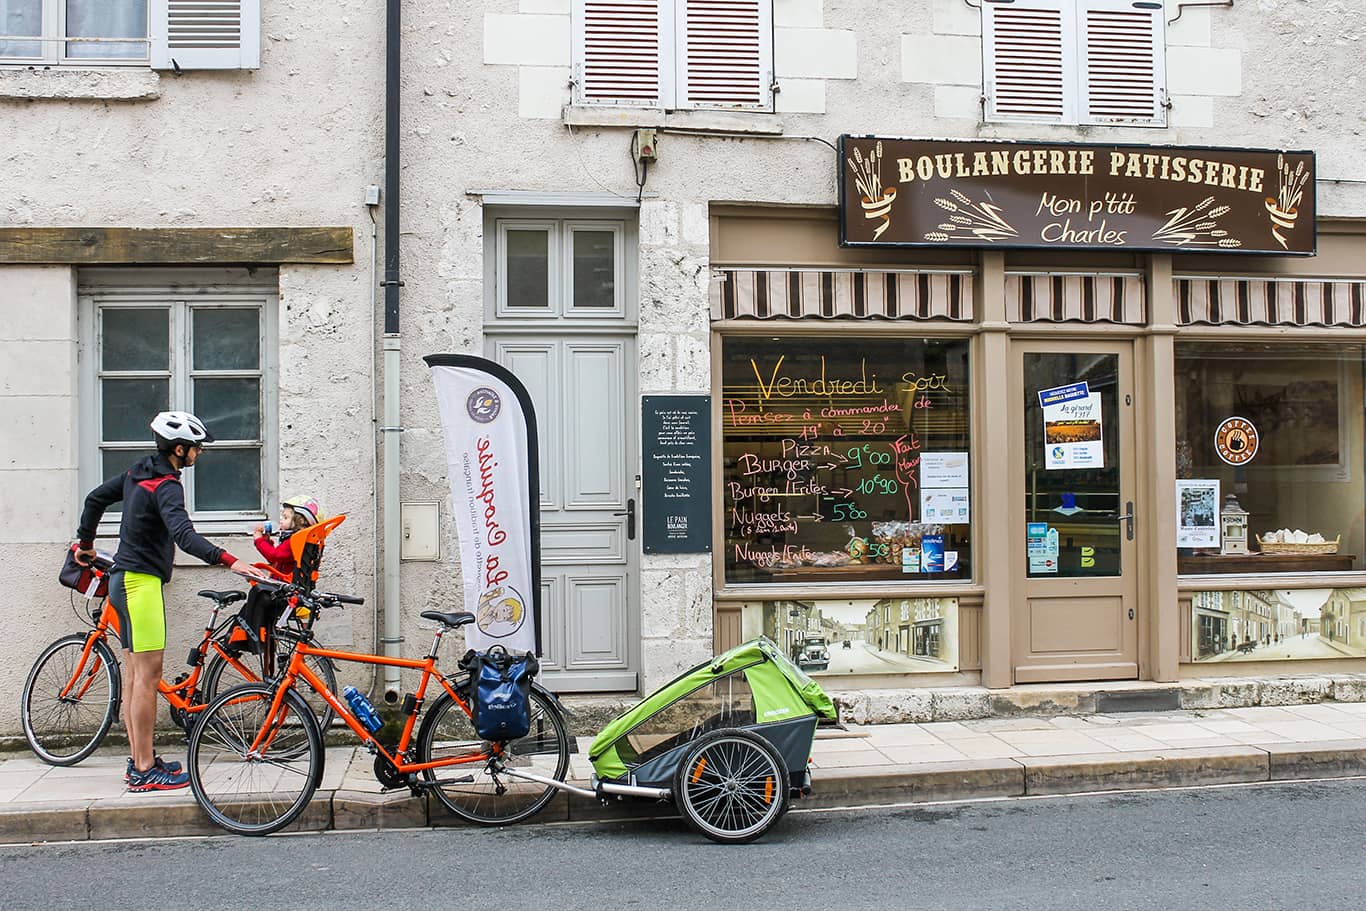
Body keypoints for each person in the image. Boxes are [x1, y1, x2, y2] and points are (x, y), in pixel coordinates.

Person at [75, 411, 268, 792]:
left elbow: (94, 498)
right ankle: (145, 769)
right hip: (140, 586)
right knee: (147, 677)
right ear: (179, 449)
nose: (199, 452)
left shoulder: (137, 473)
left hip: (121, 579)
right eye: (196, 447)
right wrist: (232, 561)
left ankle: (139, 761)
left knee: (135, 676)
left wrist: (85, 544)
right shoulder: (165, 486)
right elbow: (185, 536)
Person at [252, 495, 322, 577]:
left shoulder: (295, 541)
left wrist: (259, 540)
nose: (281, 520)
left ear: (299, 521)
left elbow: (274, 556)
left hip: (286, 584)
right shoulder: (303, 541)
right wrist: (267, 543)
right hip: (288, 583)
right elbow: (277, 559)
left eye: (285, 517)